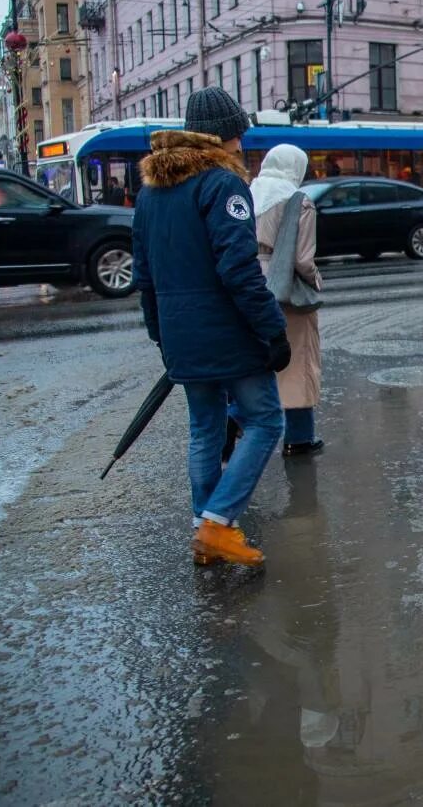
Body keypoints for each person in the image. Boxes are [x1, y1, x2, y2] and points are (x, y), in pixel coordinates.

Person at [133, 86, 290, 568]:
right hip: (228, 331)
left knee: (204, 429)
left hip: (180, 334)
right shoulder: (222, 184)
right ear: (222, 138)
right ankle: (218, 523)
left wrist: (161, 334)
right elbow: (239, 270)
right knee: (265, 421)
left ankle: (204, 528)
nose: (242, 145)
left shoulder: (151, 191)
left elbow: (145, 275)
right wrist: (273, 329)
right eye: (238, 135)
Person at [250, 143, 324, 456]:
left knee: (253, 361)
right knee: (297, 362)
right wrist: (316, 282)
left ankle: (236, 425)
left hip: (247, 283)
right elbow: (303, 260)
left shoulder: (246, 193)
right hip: (285, 288)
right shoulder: (298, 201)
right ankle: (299, 437)